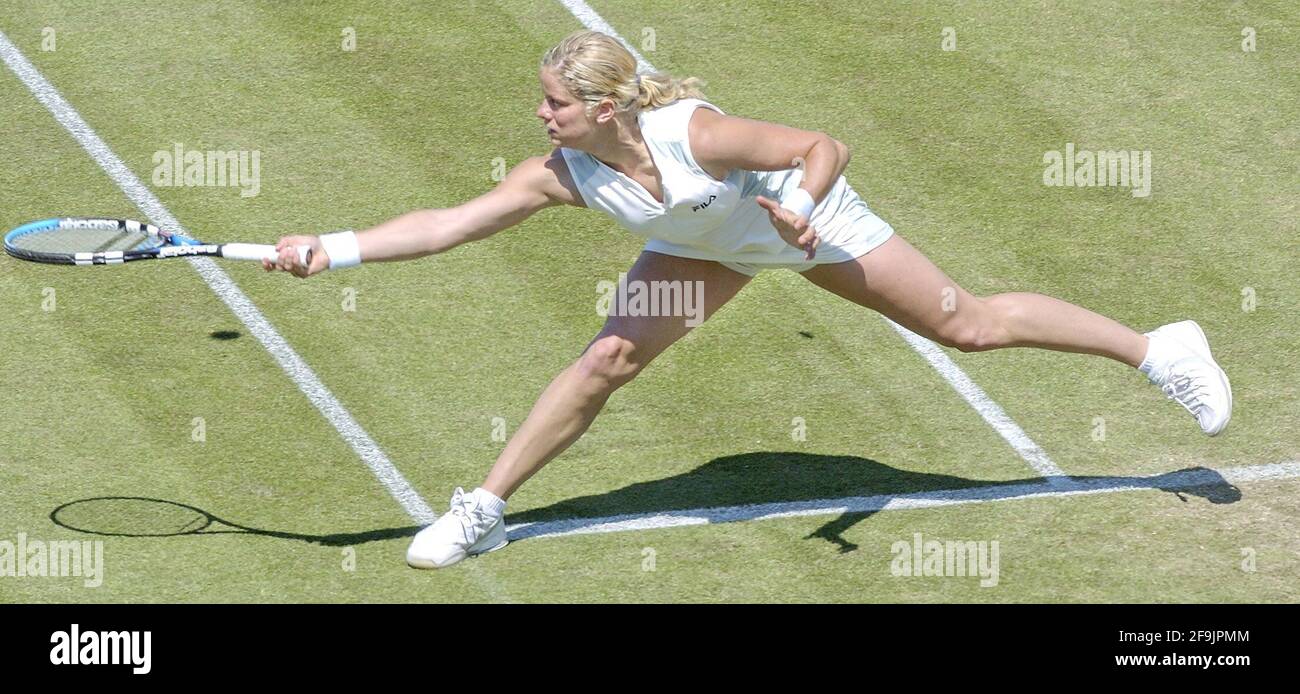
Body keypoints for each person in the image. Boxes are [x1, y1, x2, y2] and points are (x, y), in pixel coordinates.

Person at [264, 30, 1231, 569]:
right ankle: (483, 510)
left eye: (555, 102)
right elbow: (448, 224)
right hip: (702, 251)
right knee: (605, 360)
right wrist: (332, 249)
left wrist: (802, 208)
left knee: (967, 326)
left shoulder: (698, 133)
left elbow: (825, 145)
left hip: (802, 224)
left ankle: (1159, 350)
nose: (541, 113)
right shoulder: (565, 172)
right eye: (543, 101)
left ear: (605, 107)